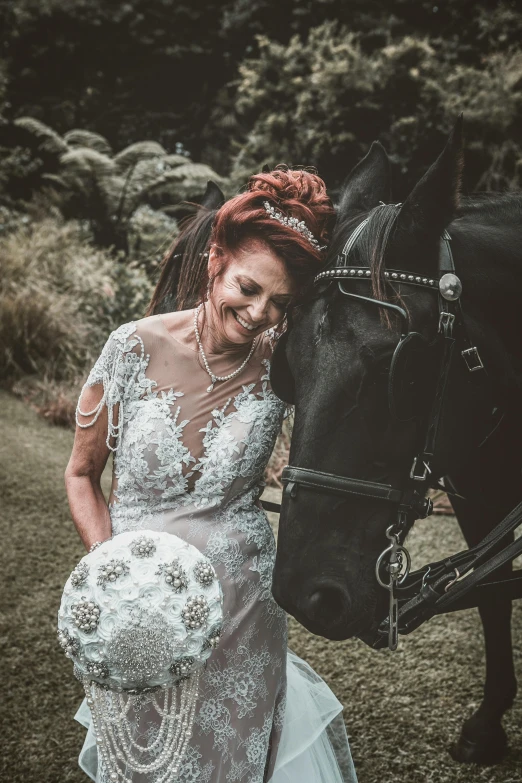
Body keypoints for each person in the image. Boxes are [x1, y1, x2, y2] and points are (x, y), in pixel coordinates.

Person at [65, 166, 358, 783]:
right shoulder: (131, 348)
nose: (258, 314)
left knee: (233, 764)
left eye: (280, 303)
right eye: (249, 288)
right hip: (139, 611)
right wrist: (115, 574)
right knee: (144, 760)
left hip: (244, 609)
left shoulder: (284, 367)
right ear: (215, 261)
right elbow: (82, 475)